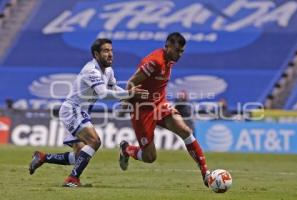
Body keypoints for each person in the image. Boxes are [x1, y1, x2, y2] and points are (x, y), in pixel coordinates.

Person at [28, 38, 148, 187]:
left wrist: (128, 96)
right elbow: (103, 93)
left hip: (80, 111)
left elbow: (114, 89)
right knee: (95, 141)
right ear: (96, 54)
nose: (110, 54)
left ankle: (42, 157)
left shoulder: (108, 71)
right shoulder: (91, 70)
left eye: (111, 51)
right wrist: (129, 94)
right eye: (106, 51)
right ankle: (72, 179)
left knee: (79, 155)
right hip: (73, 109)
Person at [119, 32, 211, 187]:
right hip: (142, 109)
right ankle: (126, 149)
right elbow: (131, 82)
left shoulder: (171, 60)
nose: (180, 54)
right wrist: (127, 98)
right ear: (167, 47)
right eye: (177, 51)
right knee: (150, 157)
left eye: (182, 51)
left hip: (160, 104)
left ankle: (205, 173)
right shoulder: (154, 62)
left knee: (185, 130)